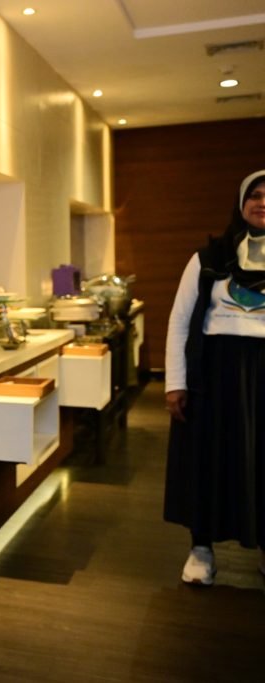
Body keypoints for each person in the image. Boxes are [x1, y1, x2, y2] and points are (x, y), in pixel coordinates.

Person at [164, 169, 265, 585]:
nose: (262, 202)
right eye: (255, 195)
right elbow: (179, 321)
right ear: (241, 204)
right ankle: (201, 549)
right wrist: (175, 382)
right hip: (213, 374)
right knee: (207, 460)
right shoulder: (207, 259)